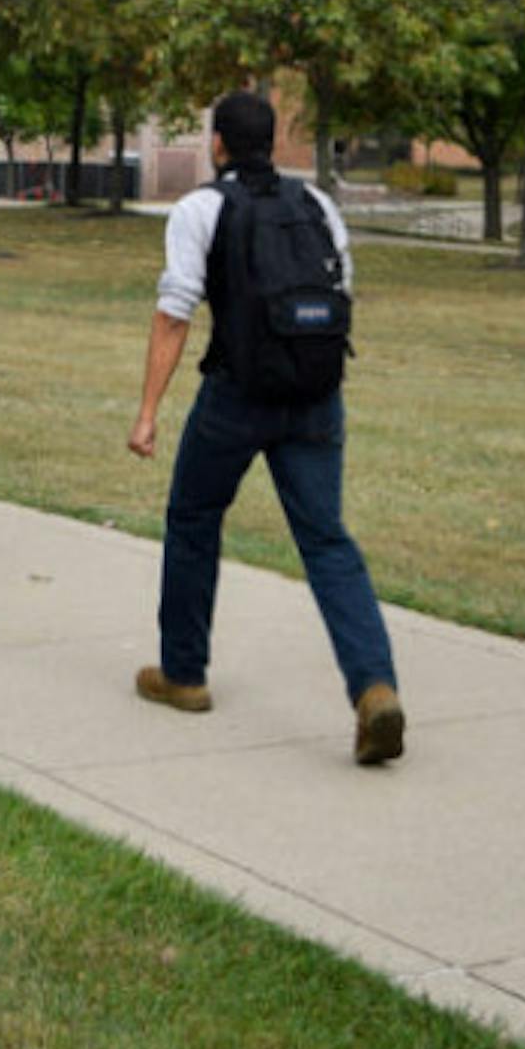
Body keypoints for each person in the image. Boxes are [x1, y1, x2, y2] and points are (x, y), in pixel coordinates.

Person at [127, 88, 406, 766]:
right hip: (315, 395)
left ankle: (184, 674)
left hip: (235, 394)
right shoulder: (317, 204)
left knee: (194, 516)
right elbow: (342, 294)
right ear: (274, 141)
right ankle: (373, 686)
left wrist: (147, 411)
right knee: (327, 540)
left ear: (218, 144)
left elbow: (175, 311)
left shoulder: (201, 208)